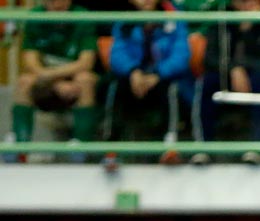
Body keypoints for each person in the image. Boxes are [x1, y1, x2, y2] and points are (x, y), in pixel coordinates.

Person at [190, 0, 260, 164]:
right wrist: (234, 69)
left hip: (259, 74)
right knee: (206, 83)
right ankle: (203, 147)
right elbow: (210, 58)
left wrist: (249, 30)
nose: (245, 4)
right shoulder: (222, 19)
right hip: (226, 73)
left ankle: (258, 148)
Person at [7, 0, 101, 160]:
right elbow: (30, 61)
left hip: (73, 83)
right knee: (24, 81)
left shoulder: (82, 16)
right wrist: (55, 83)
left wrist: (56, 77)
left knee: (86, 79)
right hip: (45, 83)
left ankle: (80, 148)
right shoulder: (35, 16)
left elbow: (86, 62)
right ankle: (20, 148)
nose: (55, 3)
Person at [107, 0, 193, 159]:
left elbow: (182, 54)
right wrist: (133, 72)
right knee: (116, 87)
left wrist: (158, 74)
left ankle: (170, 146)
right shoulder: (124, 21)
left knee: (171, 89)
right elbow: (117, 53)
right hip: (135, 77)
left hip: (164, 76)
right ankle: (111, 148)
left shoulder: (174, 17)